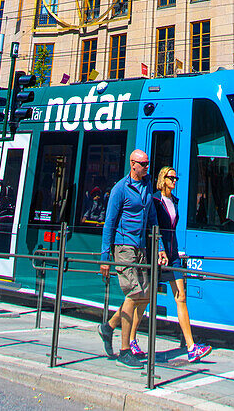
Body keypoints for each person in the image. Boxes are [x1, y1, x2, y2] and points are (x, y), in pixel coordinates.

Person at [136, 165, 212, 363]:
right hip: (158, 255)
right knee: (144, 298)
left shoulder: (174, 201)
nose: (175, 181)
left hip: (173, 254)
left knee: (181, 297)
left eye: (176, 178)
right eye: (171, 178)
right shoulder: (154, 200)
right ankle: (130, 337)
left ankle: (191, 346)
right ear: (163, 179)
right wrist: (159, 247)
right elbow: (153, 227)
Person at [98, 149, 167, 367]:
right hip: (124, 247)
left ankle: (108, 327)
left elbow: (153, 219)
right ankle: (125, 350)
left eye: (148, 164)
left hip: (141, 248)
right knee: (133, 293)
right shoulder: (120, 189)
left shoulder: (147, 186)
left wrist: (160, 248)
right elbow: (109, 223)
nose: (147, 168)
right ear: (133, 164)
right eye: (143, 164)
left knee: (145, 295)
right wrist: (104, 257)